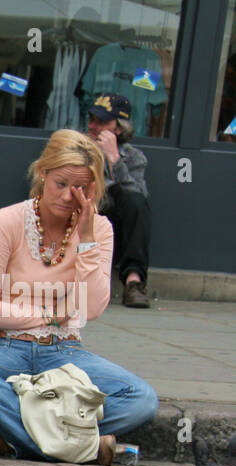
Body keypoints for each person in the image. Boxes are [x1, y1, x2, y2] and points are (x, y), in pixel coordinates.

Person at [0, 129, 158, 463]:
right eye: (61, 183)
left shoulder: (99, 229)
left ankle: (10, 437)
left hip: (65, 352)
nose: (70, 196)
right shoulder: (8, 221)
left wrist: (86, 241)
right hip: (3, 345)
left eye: (82, 188)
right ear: (43, 174)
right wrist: (48, 316)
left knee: (141, 398)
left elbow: (91, 308)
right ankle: (77, 444)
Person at [86, 92, 151, 308]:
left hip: (116, 219)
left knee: (135, 202)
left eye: (102, 122)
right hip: (86, 208)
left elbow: (137, 195)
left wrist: (114, 159)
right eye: (91, 119)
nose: (93, 126)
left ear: (118, 129)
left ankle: (134, 282)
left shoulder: (134, 157)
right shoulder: (75, 146)